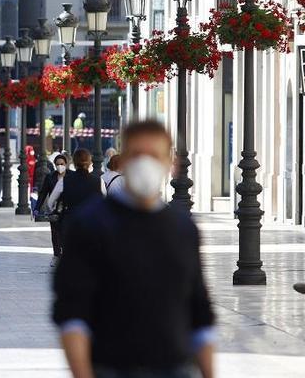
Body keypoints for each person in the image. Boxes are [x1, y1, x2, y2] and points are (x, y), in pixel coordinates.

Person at [53, 120, 215, 378]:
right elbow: (72, 313)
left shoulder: (183, 228)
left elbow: (200, 313)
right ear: (123, 160)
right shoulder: (88, 225)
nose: (145, 163)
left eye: (154, 155)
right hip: (111, 368)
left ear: (168, 163)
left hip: (175, 368)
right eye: (137, 154)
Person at [35, 154, 69, 268]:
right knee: (55, 234)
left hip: (68, 210)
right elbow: (43, 193)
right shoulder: (50, 177)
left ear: (66, 164)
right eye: (57, 164)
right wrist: (36, 208)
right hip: (54, 210)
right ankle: (56, 255)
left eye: (62, 164)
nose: (60, 166)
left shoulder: (72, 176)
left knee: (66, 233)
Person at [58, 148, 104, 219]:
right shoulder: (98, 180)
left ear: (73, 162)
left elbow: (50, 202)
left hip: (71, 221)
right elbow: (104, 199)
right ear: (90, 162)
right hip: (92, 221)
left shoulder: (64, 180)